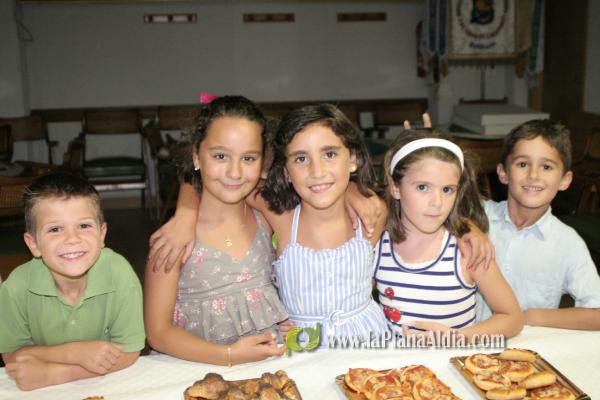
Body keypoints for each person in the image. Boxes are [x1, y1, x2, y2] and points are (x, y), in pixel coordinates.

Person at [144, 96, 287, 365]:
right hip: (195, 373)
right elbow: (158, 333)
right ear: (196, 155)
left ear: (262, 162)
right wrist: (228, 355)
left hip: (265, 372)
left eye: (248, 158)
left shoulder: (266, 218)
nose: (234, 172)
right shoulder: (173, 241)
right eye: (221, 156)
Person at [249, 103, 390, 345]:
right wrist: (184, 213)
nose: (317, 171)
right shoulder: (282, 219)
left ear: (353, 159)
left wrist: (353, 189)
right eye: (301, 158)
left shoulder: (373, 215)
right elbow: (219, 179)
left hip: (369, 346)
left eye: (330, 154)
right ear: (285, 171)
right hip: (302, 349)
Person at [375, 129, 523, 342]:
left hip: (454, 362)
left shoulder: (468, 251)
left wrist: (458, 337)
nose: (437, 202)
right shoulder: (377, 248)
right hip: (396, 363)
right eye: (423, 187)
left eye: (447, 190)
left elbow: (512, 318)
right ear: (395, 187)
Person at [0, 172, 144, 391]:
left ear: (102, 235)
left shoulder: (120, 274)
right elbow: (14, 358)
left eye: (84, 226)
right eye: (55, 229)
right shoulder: (16, 288)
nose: (72, 239)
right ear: (33, 244)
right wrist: (74, 352)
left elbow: (129, 351)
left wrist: (54, 374)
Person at [475, 120, 600, 329]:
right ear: (503, 173)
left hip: (526, 345)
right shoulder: (478, 216)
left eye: (546, 167)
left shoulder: (568, 243)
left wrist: (529, 317)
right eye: (522, 164)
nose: (533, 175)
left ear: (565, 180)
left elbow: (597, 313)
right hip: (466, 340)